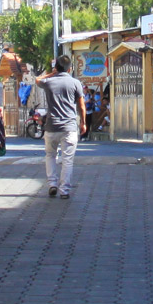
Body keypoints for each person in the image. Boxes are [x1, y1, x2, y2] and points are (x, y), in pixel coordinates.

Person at [35, 55, 88, 198]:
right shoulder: (75, 83)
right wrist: (83, 122)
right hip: (69, 127)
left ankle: (52, 184)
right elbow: (81, 106)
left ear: (56, 67)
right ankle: (64, 190)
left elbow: (37, 80)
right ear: (70, 68)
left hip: (51, 127)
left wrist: (53, 73)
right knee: (67, 160)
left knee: (50, 155)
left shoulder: (48, 81)